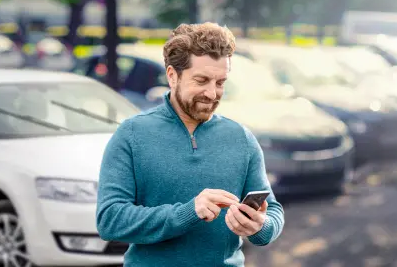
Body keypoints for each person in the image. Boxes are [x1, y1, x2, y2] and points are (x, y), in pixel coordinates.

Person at [96, 22, 285, 266]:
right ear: (172, 76)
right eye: (202, 80)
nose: (212, 93)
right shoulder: (131, 134)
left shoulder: (241, 138)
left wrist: (261, 226)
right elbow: (110, 220)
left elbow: (272, 211)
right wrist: (188, 212)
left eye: (220, 82)